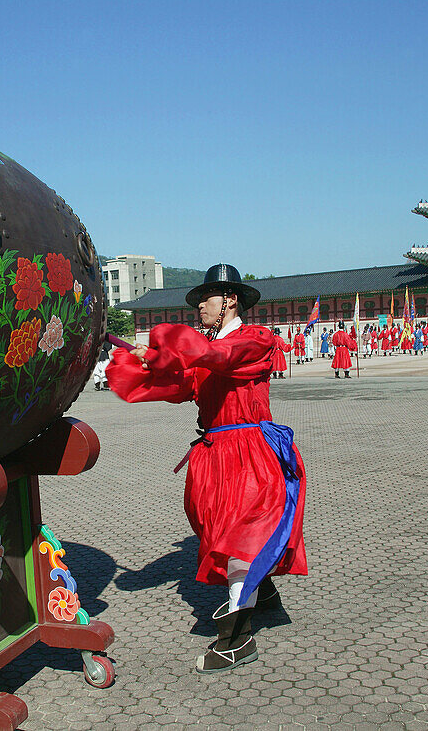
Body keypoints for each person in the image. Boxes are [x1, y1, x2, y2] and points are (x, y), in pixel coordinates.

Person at [107, 264, 307, 673]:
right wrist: (146, 359)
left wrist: (177, 346)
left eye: (206, 299)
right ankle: (264, 593)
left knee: (237, 538)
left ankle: (235, 641)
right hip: (212, 454)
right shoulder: (206, 348)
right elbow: (182, 381)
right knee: (220, 532)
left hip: (248, 452)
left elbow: (222, 356)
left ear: (229, 300)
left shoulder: (255, 339)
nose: (199, 306)